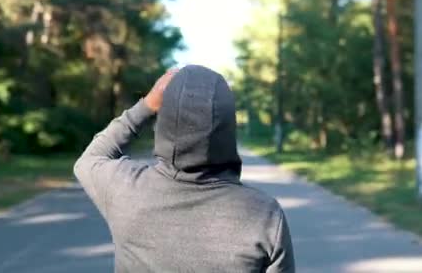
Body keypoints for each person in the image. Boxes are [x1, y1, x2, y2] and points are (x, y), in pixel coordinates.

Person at [74, 65, 295, 272]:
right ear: (228, 129)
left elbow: (91, 158)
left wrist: (147, 105)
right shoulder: (264, 215)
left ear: (165, 123)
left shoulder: (125, 189)